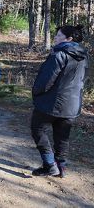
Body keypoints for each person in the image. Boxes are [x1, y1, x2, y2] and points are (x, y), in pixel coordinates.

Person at [31, 25, 88, 178]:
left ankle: (50, 164)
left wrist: (36, 93)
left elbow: (46, 81)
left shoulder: (59, 55)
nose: (55, 38)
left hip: (52, 103)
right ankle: (60, 167)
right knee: (62, 137)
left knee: (37, 129)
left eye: (58, 35)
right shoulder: (83, 57)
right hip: (72, 105)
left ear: (68, 39)